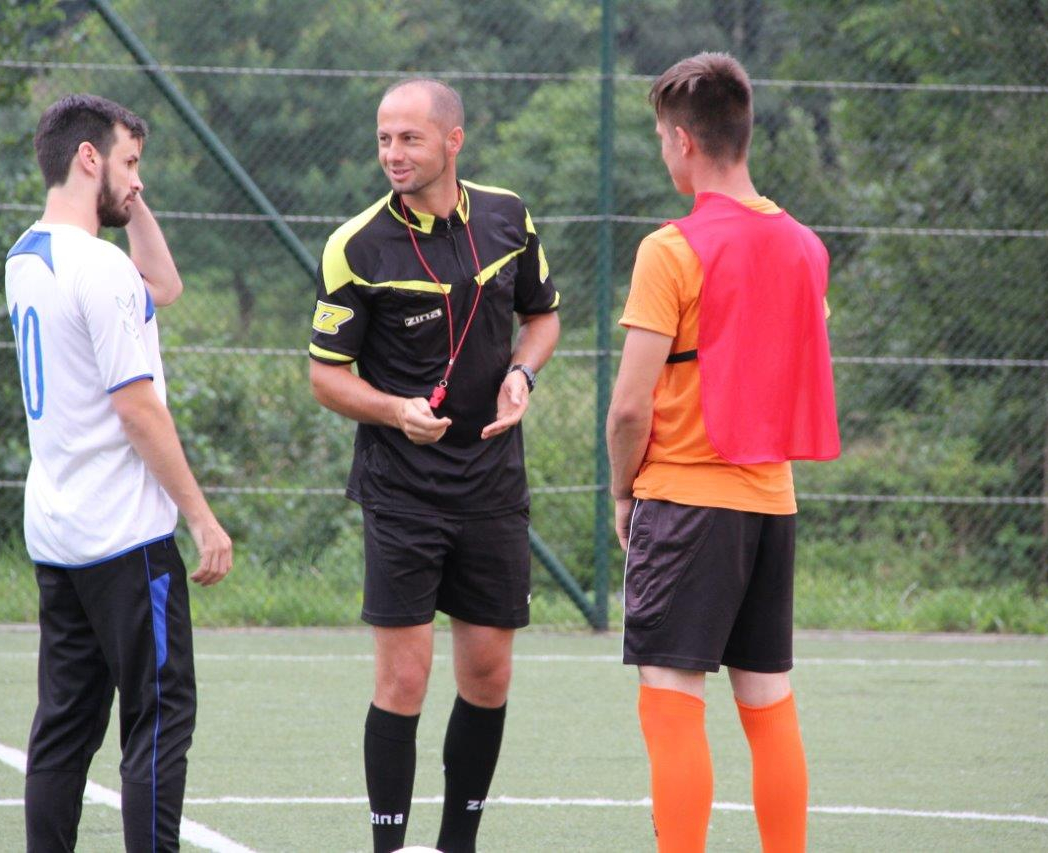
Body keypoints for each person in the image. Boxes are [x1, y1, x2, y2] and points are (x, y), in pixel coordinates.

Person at [308, 78, 561, 853]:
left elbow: (542, 318)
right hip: (402, 491)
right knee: (404, 679)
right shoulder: (355, 246)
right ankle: (388, 847)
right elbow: (325, 376)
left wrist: (523, 374)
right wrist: (396, 411)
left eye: (409, 138)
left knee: (487, 675)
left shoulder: (508, 217)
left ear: (454, 141)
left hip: (492, 486)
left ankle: (458, 845)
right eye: (384, 139)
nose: (393, 153)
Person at [607, 53, 840, 853]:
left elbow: (629, 405)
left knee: (672, 701)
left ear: (683, 140)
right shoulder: (806, 247)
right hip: (772, 504)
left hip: (686, 501)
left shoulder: (671, 248)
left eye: (660, 140)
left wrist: (622, 490)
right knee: (768, 701)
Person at [5, 93, 233, 853]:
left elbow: (161, 286)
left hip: (59, 531)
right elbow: (138, 409)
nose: (138, 180)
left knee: (66, 724)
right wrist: (200, 517)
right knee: (159, 717)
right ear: (88, 158)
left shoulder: (27, 255)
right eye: (129, 163)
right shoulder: (98, 268)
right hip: (125, 537)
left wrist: (129, 201)